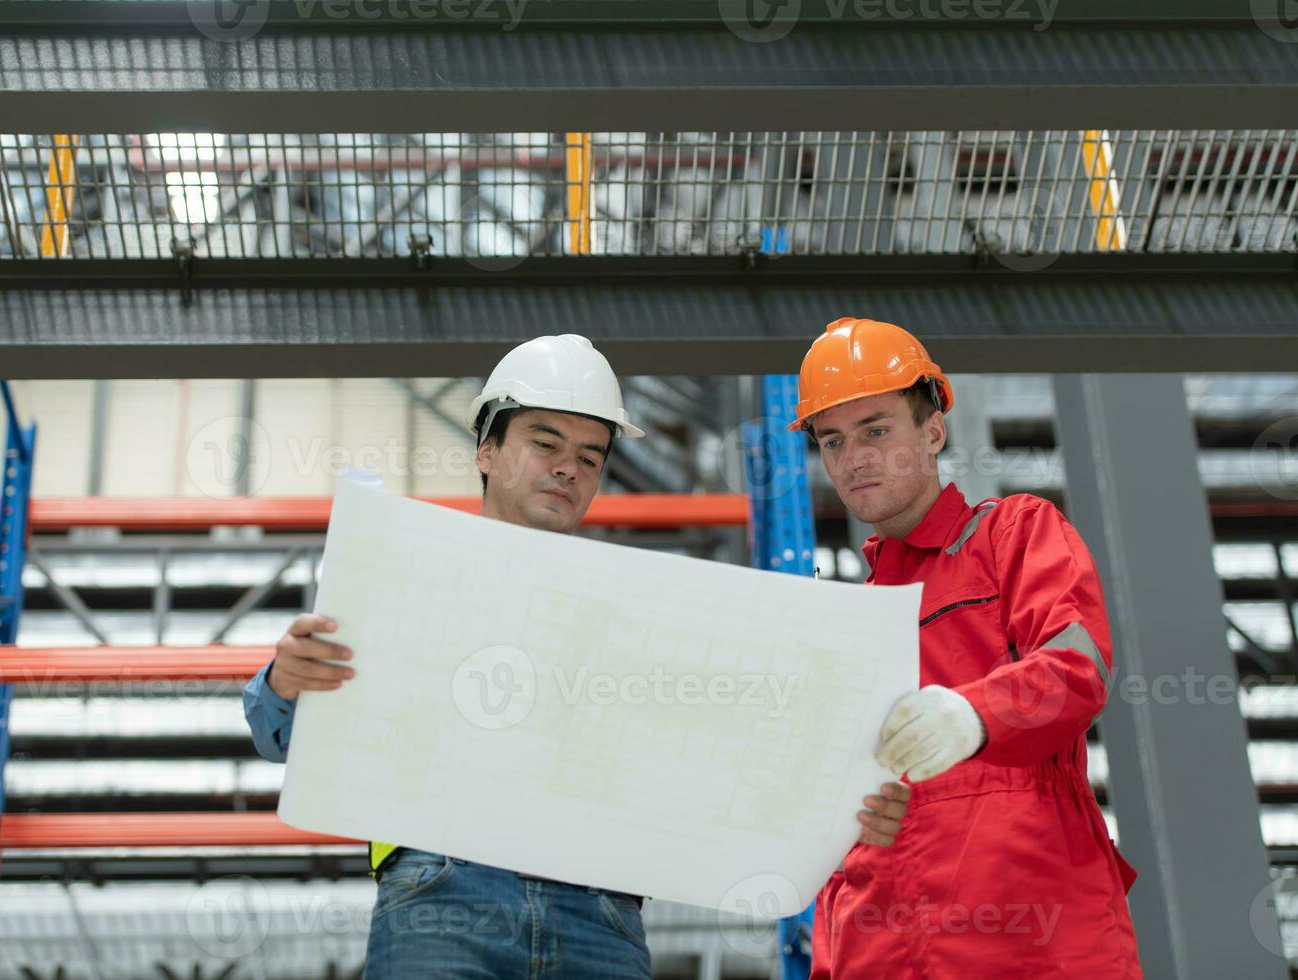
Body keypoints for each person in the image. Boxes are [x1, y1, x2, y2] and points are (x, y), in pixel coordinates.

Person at [245, 333, 912, 978]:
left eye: (591, 457)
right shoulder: (404, 573)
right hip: (443, 895)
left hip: (601, 913)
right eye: (545, 442)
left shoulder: (642, 618)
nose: (569, 467)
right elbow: (279, 734)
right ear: (487, 449)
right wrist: (285, 680)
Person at [787, 317, 1143, 978]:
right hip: (879, 948)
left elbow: (1075, 668)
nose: (854, 458)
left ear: (932, 431)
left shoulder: (1013, 535)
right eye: (832, 440)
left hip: (1030, 940)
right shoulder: (843, 622)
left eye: (876, 430)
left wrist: (976, 714)